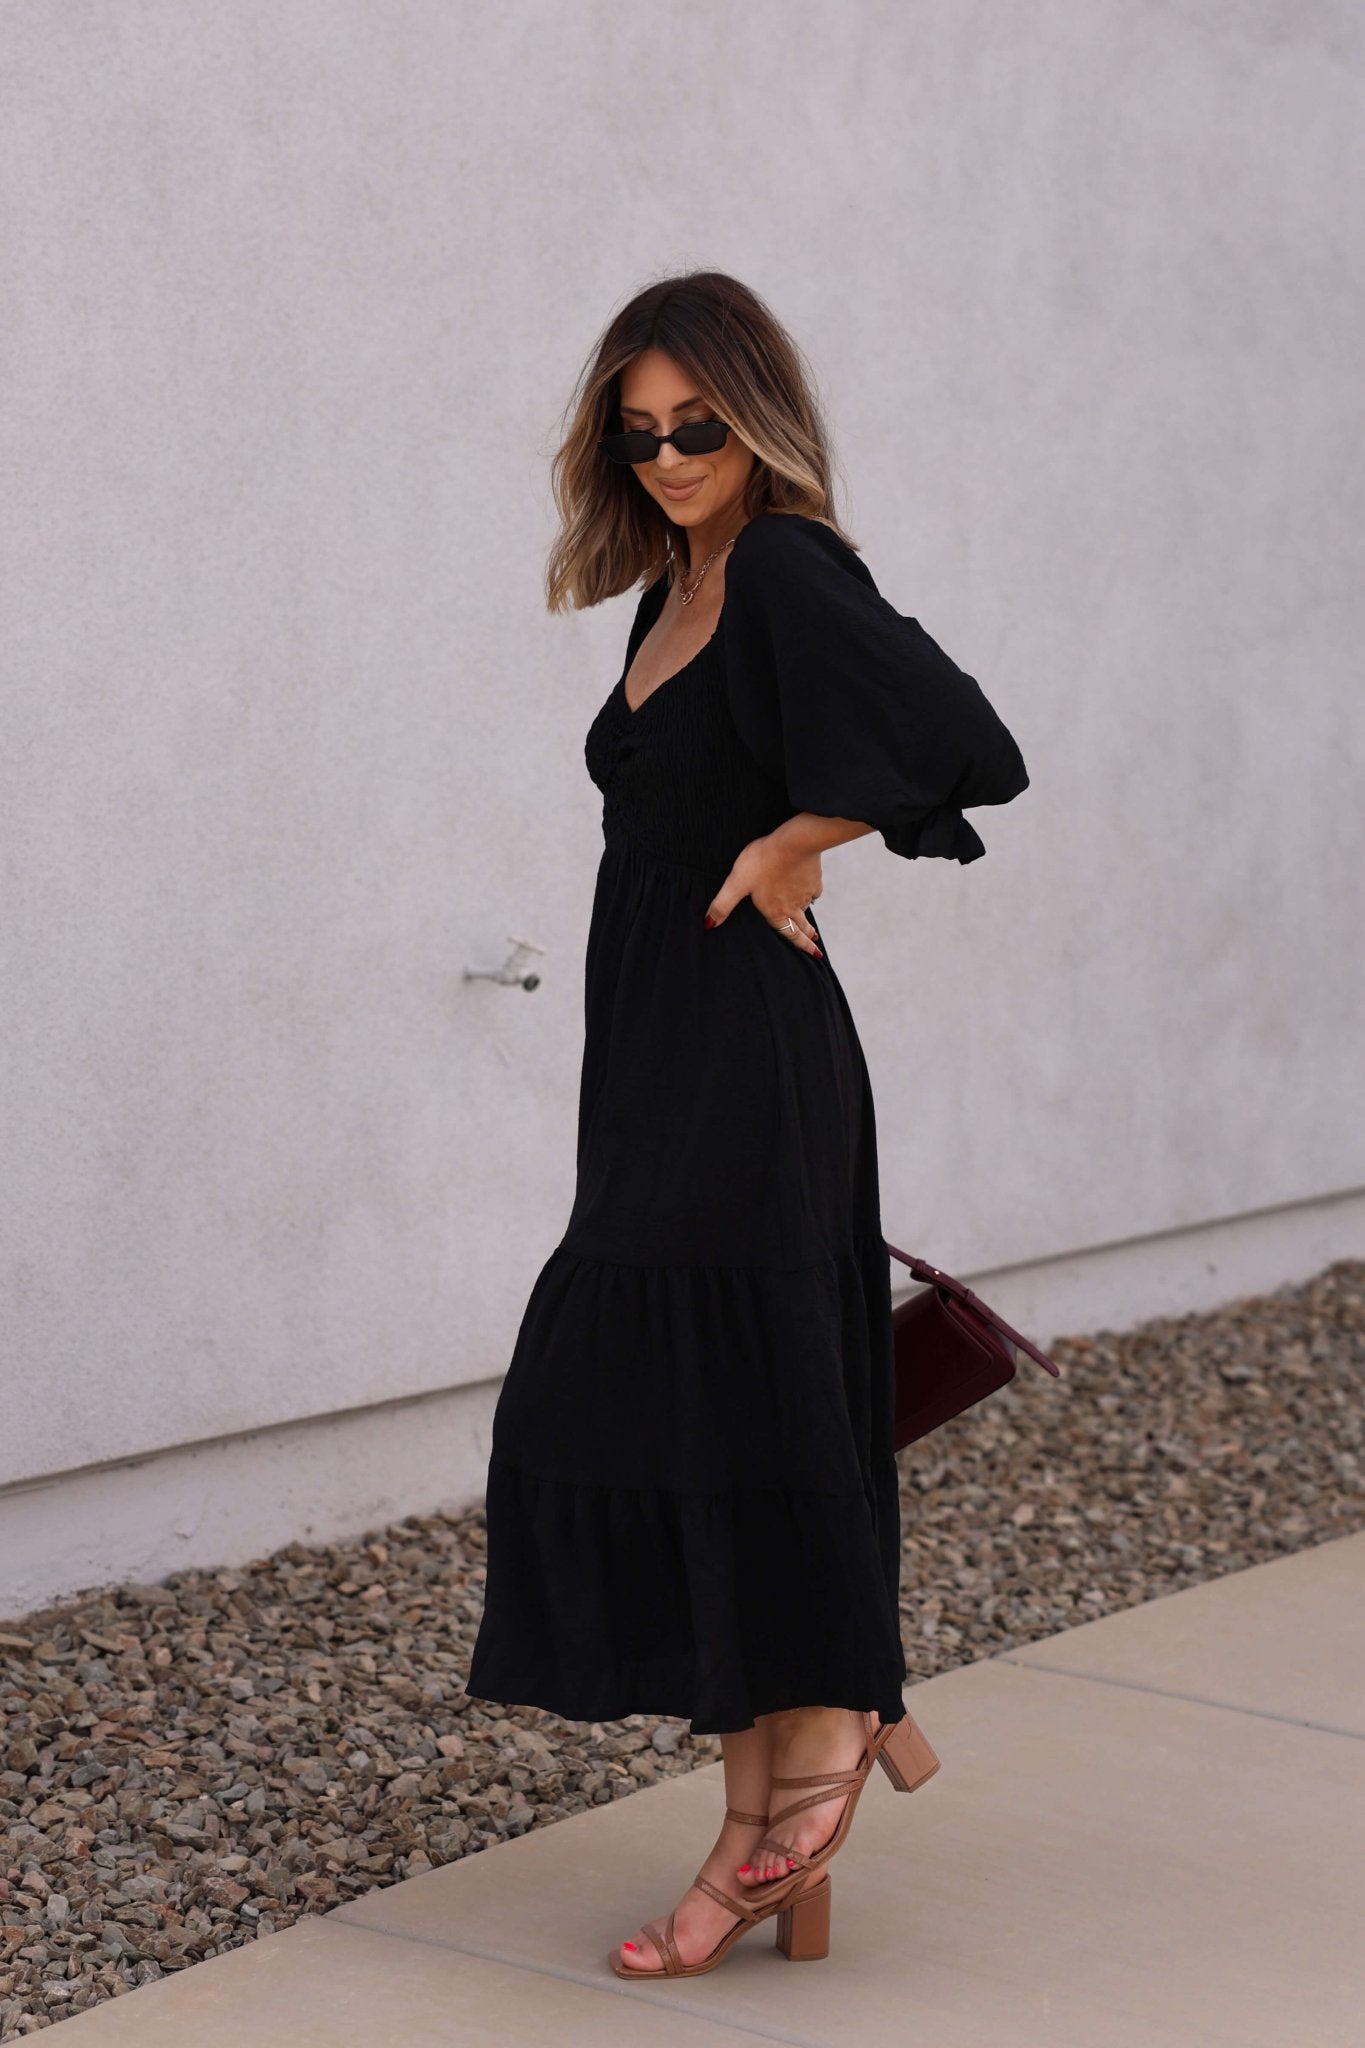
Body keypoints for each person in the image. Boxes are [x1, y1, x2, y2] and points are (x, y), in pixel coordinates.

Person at [463, 269, 1030, 1979]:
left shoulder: (784, 562)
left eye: (695, 425)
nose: (667, 457)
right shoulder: (669, 585)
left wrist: (794, 844)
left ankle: (829, 1738)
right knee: (695, 1401)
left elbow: (960, 740)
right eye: (636, 435)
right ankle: (762, 1798)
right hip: (653, 1050)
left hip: (749, 1050)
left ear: (755, 414)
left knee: (740, 1385)